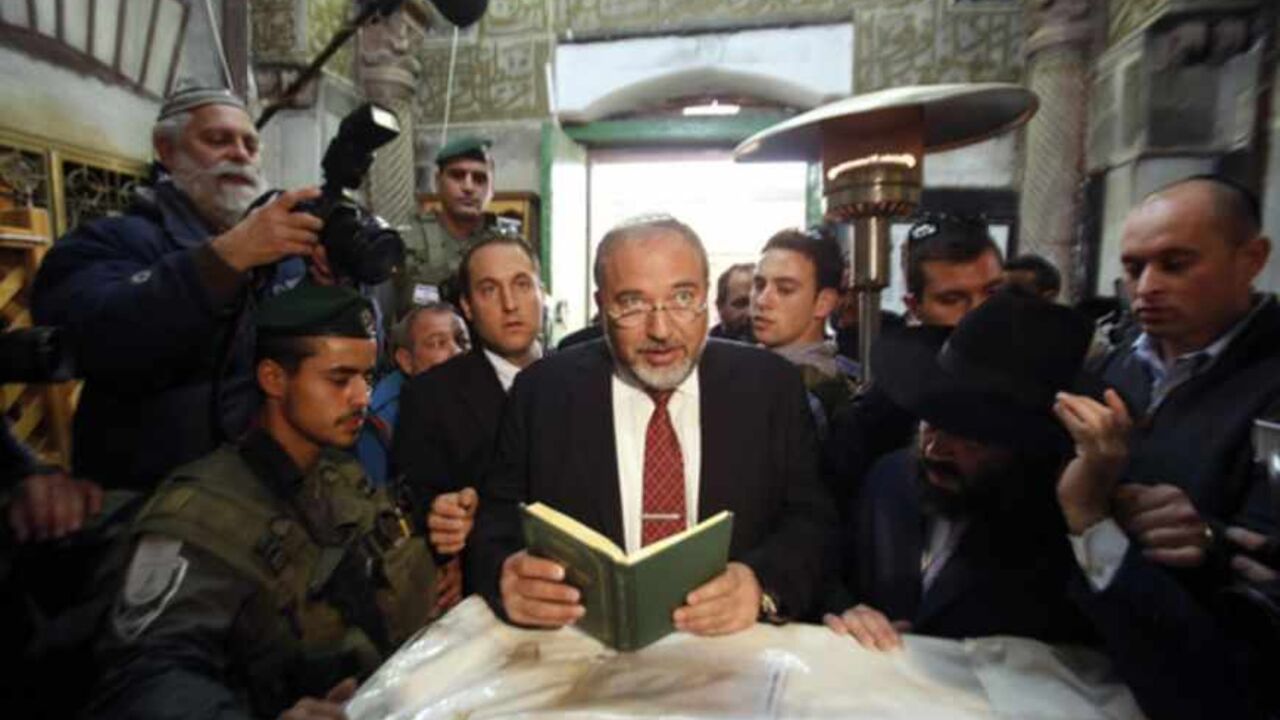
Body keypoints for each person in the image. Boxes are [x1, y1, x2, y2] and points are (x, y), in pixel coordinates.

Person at [826, 290, 1269, 720]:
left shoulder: (1091, 524)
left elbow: (1198, 696)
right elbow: (837, 576)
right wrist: (850, 612)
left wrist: (1089, 521)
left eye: (972, 433)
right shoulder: (890, 479)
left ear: (1031, 442)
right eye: (931, 419)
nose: (936, 447)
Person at [469, 215, 836, 635]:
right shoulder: (542, 393)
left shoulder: (770, 388)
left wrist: (760, 585)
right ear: (601, 305)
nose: (661, 330)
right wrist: (505, 574)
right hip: (582, 657)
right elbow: (495, 525)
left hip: (734, 654)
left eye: (682, 298)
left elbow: (813, 523)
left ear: (705, 295)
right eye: (632, 303)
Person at [87, 283, 437, 720]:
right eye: (339, 379)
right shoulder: (201, 513)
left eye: (367, 378)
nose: (362, 397)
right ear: (273, 378)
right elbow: (146, 677)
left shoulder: (337, 475)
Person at [32, 86, 323, 494]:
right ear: (166, 150)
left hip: (268, 500)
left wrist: (326, 285)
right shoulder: (108, 242)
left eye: (250, 144)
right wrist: (225, 258)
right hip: (154, 506)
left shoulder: (282, 256)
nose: (240, 154)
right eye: (218, 140)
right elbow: (96, 336)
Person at [394, 232, 544, 611]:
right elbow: (412, 498)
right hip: (482, 599)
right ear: (468, 307)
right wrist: (441, 517)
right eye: (489, 290)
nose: (511, 304)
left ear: (542, 292)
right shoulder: (430, 396)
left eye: (522, 285)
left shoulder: (584, 381)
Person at [824, 214, 1004, 511]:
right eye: (953, 299)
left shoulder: (1045, 388)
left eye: (993, 293)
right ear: (915, 307)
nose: (981, 315)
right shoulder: (880, 415)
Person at [751, 229, 859, 433]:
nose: (762, 300)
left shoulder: (803, 393)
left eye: (785, 289)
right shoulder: (756, 369)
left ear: (823, 303)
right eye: (759, 284)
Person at [353, 302, 468, 488]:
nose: (457, 352)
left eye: (462, 341)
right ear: (406, 360)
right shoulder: (378, 424)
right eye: (437, 343)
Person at [402, 136, 502, 313]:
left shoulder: (506, 245)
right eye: (457, 175)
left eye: (479, 179)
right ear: (437, 181)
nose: (468, 187)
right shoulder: (408, 240)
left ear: (492, 189)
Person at [709, 263, 754, 342]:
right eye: (741, 304)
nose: (750, 313)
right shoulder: (701, 351)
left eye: (756, 304)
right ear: (720, 306)